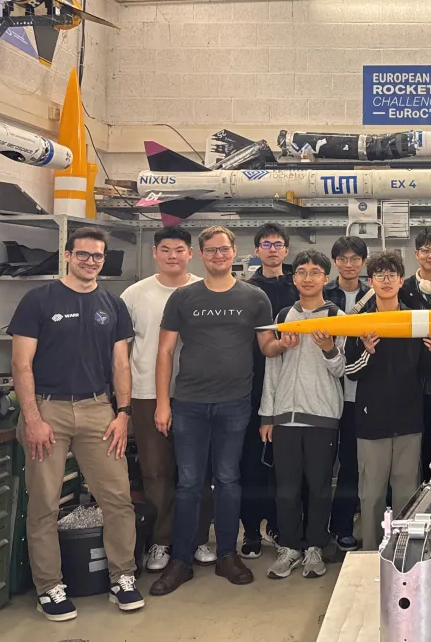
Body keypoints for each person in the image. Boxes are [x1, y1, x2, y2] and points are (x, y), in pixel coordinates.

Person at [9, 226, 143, 620]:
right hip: (47, 409)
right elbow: (21, 364)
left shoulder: (113, 304)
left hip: (98, 410)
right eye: (83, 254)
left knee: (117, 499)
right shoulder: (38, 300)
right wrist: (32, 418)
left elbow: (121, 364)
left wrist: (123, 413)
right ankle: (49, 587)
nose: (90, 261)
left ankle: (122, 577)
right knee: (44, 503)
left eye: (98, 255)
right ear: (67, 255)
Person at [150, 226, 289, 596]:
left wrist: (284, 343)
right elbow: (165, 351)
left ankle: (227, 554)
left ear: (234, 251)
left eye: (224, 249)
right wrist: (163, 403)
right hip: (189, 404)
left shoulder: (254, 297)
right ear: (201, 255)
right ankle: (181, 560)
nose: (218, 255)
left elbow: (266, 346)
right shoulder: (183, 297)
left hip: (235, 403)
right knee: (189, 483)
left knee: (228, 480)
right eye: (210, 250)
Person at [121, 226, 215, 573]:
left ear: (191, 254)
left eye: (179, 250)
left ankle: (198, 538)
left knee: (198, 472)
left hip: (197, 394)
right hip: (147, 394)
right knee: (156, 470)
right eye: (165, 250)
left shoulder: (206, 290)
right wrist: (123, 401)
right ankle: (161, 540)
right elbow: (121, 351)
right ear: (154, 253)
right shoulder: (135, 295)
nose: (172, 256)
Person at [260, 250, 344, 580]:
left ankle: (315, 547)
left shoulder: (337, 316)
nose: (308, 278)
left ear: (326, 278)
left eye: (315, 272)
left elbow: (342, 369)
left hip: (322, 415)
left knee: (320, 487)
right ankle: (290, 546)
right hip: (285, 417)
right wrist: (268, 415)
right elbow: (272, 368)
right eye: (302, 272)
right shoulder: (284, 315)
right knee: (287, 488)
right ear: (293, 278)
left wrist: (328, 348)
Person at [344, 251, 431, 551]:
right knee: (371, 495)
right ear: (370, 282)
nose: (385, 281)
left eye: (391, 275)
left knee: (408, 493)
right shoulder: (359, 323)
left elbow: (426, 372)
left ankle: (407, 553)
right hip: (372, 423)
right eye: (379, 276)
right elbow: (350, 371)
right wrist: (367, 351)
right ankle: (371, 553)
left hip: (409, 420)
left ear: (400, 280)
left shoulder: (414, 319)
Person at [241, 223, 297, 557]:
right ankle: (250, 530)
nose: (273, 249)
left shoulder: (297, 287)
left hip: (290, 386)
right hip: (251, 384)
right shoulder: (245, 290)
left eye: (278, 244)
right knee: (250, 461)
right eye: (266, 244)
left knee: (282, 463)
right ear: (256, 250)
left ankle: (278, 525)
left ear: (286, 250)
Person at [323, 235, 371, 553]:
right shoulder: (323, 294)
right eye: (343, 258)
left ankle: (342, 528)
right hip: (325, 391)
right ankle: (315, 528)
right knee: (322, 464)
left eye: (355, 258)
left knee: (351, 464)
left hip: (357, 393)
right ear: (335, 262)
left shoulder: (373, 294)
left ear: (363, 262)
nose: (349, 264)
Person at [399, 228, 431, 477]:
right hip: (409, 377)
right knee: (409, 445)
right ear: (416, 254)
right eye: (426, 250)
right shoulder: (403, 288)